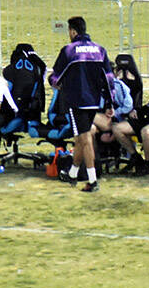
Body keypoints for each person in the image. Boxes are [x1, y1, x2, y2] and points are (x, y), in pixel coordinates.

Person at [49, 16, 115, 192]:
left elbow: (56, 77)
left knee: (84, 138)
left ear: (72, 31)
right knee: (81, 137)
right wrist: (109, 102)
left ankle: (92, 181)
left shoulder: (69, 50)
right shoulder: (100, 50)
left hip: (76, 101)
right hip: (94, 102)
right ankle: (72, 173)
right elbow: (109, 79)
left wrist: (55, 83)